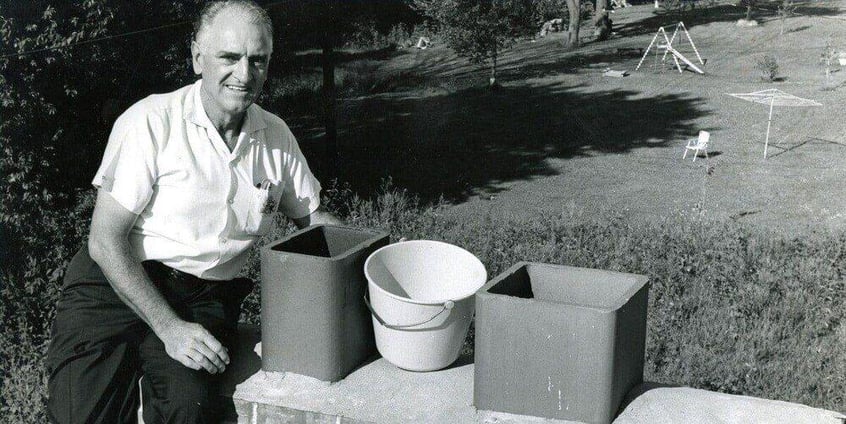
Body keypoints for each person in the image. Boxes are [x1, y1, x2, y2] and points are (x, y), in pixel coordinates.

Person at [45, 1, 341, 422]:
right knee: (81, 413)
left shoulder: (275, 137)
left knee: (190, 407)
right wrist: (168, 329)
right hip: (113, 285)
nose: (244, 74)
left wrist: (371, 254)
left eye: (258, 60)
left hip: (201, 296)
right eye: (229, 57)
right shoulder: (151, 121)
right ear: (197, 56)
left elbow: (314, 220)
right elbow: (104, 239)